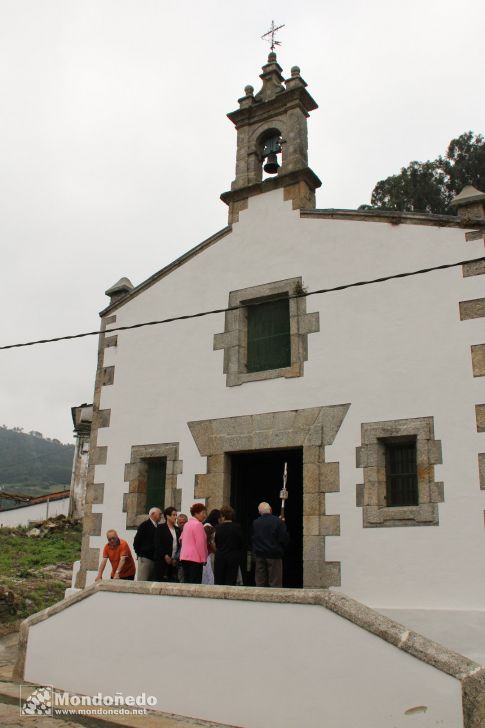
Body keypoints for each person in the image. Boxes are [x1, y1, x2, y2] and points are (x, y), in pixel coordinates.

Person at [252, 502, 289, 588]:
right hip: (274, 555)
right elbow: (284, 538)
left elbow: (253, 537)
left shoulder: (256, 522)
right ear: (271, 509)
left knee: (260, 583)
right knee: (275, 583)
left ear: (259, 512)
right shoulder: (278, 521)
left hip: (260, 555)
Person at [214, 505, 244, 586]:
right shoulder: (237, 527)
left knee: (219, 581)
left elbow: (216, 542)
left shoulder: (217, 528)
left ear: (223, 516)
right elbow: (241, 543)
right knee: (230, 581)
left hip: (220, 557)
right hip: (233, 557)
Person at [179, 503, 208, 584]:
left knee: (187, 582)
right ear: (196, 513)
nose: (205, 515)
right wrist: (203, 559)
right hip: (195, 559)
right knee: (195, 583)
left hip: (184, 557)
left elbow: (181, 539)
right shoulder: (198, 524)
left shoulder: (187, 524)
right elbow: (200, 544)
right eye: (203, 513)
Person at [133, 507, 161, 581]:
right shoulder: (144, 525)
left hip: (153, 558)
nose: (161, 516)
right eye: (159, 514)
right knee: (143, 580)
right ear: (152, 514)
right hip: (145, 558)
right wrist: (139, 554)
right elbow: (136, 541)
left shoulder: (158, 527)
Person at [156, 506, 180, 582]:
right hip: (162, 560)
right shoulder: (161, 528)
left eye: (176, 515)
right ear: (167, 516)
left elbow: (179, 545)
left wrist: (176, 558)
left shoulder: (177, 529)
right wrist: (165, 555)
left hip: (174, 561)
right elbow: (157, 543)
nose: (175, 517)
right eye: (173, 515)